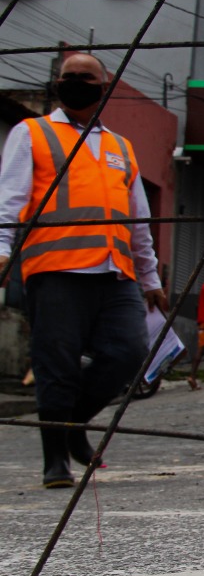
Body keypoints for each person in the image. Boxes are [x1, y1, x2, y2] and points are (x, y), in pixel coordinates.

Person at [0, 52, 168, 488]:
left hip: (115, 273)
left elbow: (138, 221)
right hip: (55, 269)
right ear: (57, 83)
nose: (76, 82)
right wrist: (1, 250)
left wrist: (150, 278)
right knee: (56, 363)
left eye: (86, 77)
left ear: (104, 86)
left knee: (129, 352)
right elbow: (9, 199)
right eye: (68, 76)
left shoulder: (120, 147)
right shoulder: (31, 132)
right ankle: (55, 460)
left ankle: (71, 425)